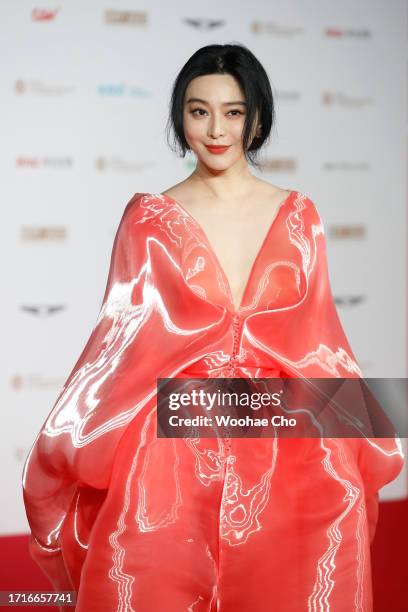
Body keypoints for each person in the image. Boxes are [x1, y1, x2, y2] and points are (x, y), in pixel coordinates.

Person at [23, 43, 404, 611]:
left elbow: (319, 341)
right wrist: (70, 443)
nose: (216, 129)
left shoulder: (299, 216)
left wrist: (360, 431)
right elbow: (119, 343)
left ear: (257, 117)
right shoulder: (148, 218)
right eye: (199, 111)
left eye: (233, 111)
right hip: (172, 449)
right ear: (181, 117)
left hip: (289, 444)